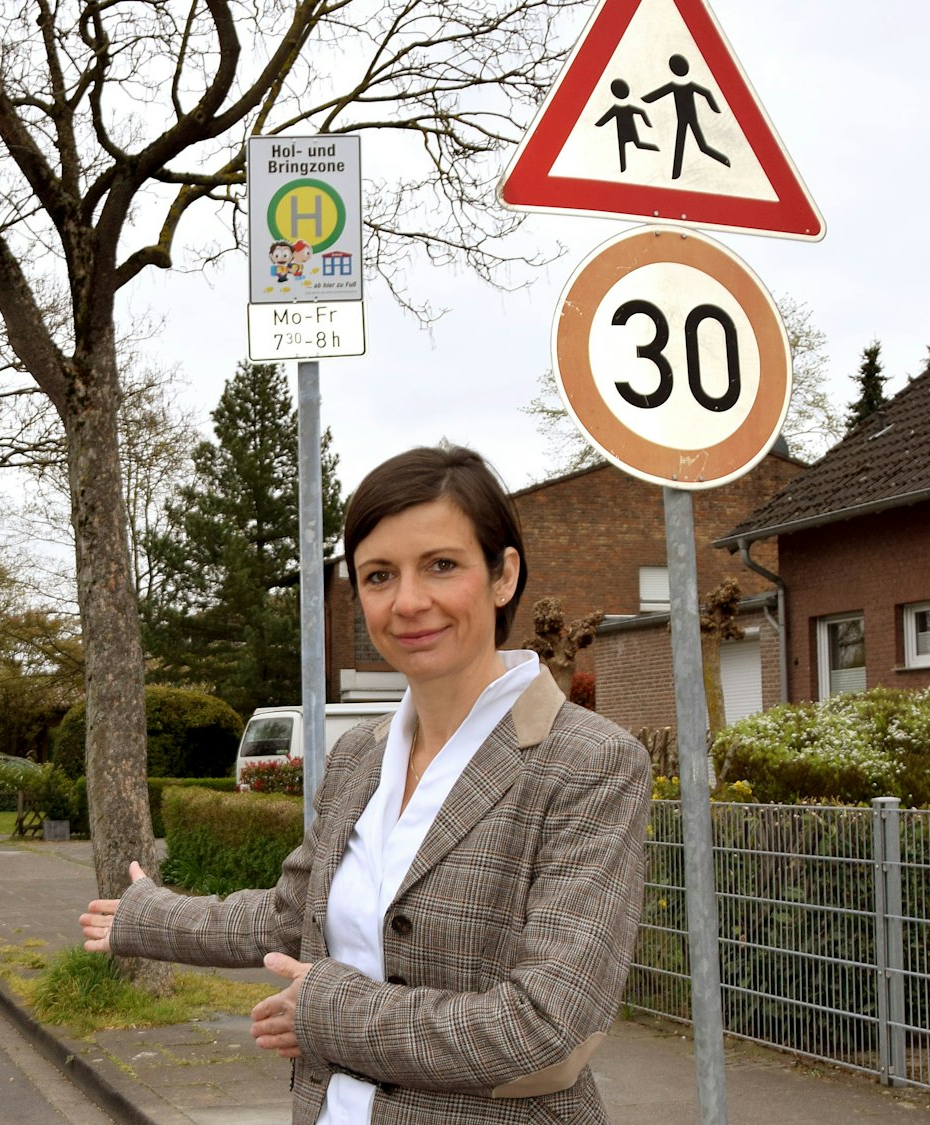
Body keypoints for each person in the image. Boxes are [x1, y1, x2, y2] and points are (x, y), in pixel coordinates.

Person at [81, 445, 652, 1124]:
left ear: (503, 575)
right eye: (379, 575)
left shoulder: (589, 761)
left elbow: (545, 1021)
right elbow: (294, 917)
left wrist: (328, 1014)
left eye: (441, 565)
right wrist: (153, 915)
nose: (409, 601)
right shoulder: (361, 755)